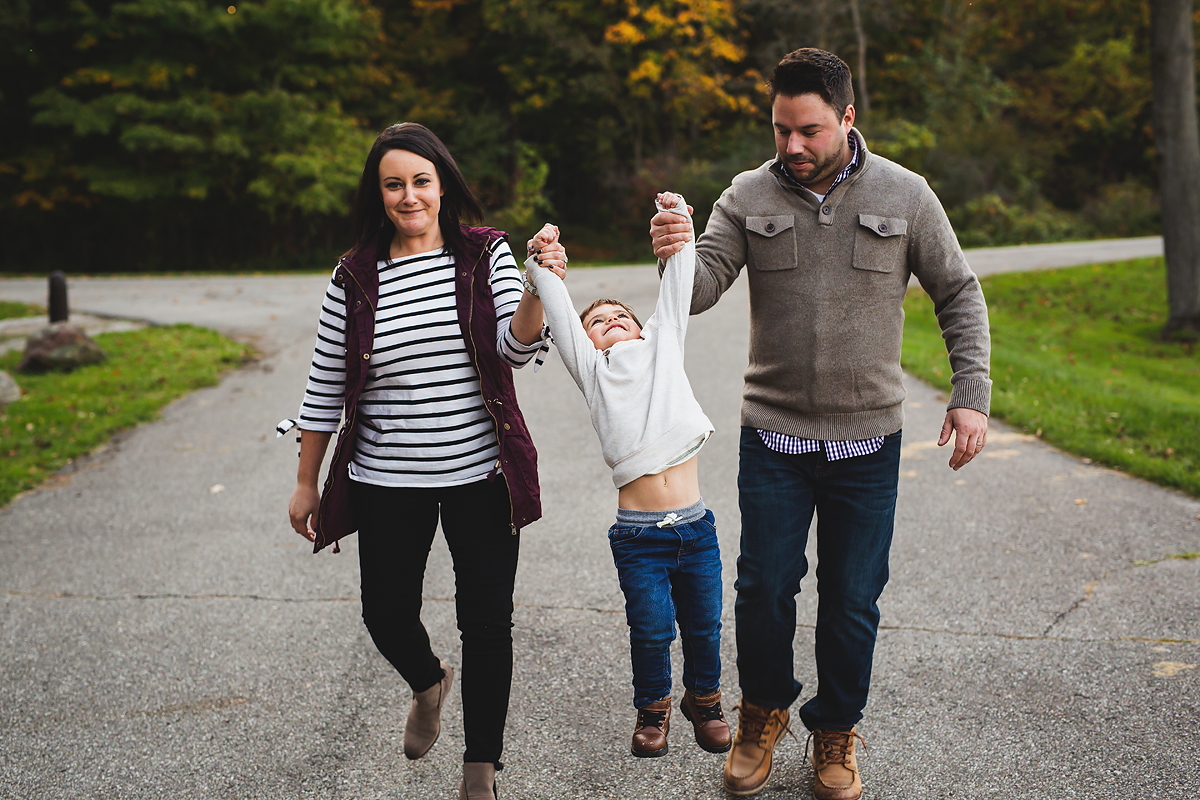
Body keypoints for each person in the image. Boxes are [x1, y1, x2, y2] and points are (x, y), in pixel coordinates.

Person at [650, 49, 991, 800]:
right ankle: (763, 713)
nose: (792, 146)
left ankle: (835, 730)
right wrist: (676, 254)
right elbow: (702, 288)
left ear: (847, 117)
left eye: (808, 130)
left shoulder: (907, 194)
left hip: (869, 442)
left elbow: (958, 293)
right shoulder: (746, 194)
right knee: (764, 587)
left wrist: (971, 392)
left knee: (852, 596)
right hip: (774, 434)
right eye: (780, 130)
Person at [286, 122, 566, 800]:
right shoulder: (353, 275)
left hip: (481, 474)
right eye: (394, 184)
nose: (408, 196)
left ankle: (481, 771)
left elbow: (516, 348)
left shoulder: (483, 254)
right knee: (384, 613)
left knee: (487, 621)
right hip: (385, 477)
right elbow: (326, 384)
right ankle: (427, 680)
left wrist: (538, 286)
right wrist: (305, 481)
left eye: (420, 181)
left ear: (442, 186)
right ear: (378, 193)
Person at [523, 197, 731, 759]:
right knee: (652, 628)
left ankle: (706, 701)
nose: (610, 320)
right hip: (639, 535)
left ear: (643, 329)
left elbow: (675, 287)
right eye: (599, 322)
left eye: (621, 316)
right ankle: (653, 712)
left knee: (705, 626)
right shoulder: (593, 372)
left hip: (696, 527)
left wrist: (681, 224)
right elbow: (562, 318)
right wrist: (542, 262)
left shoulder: (663, 347)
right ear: (586, 343)